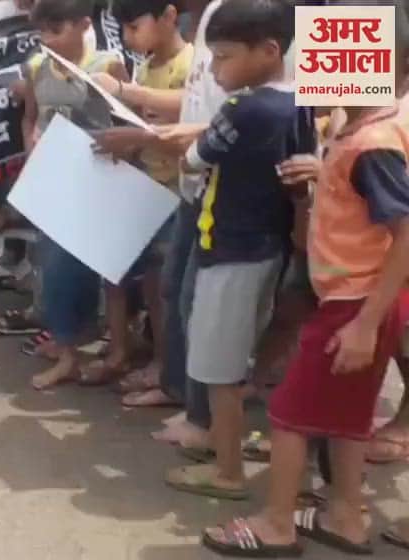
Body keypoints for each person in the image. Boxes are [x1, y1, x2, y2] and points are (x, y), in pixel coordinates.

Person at [201, 0, 409, 557]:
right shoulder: (366, 127)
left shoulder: (374, 145)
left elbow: (405, 231)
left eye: (327, 58)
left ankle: (276, 523)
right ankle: (345, 514)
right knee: (348, 418)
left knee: (289, 414)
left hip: (355, 302)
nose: (312, 72)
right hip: (359, 300)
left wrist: (365, 323)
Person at [164, 0, 312, 501]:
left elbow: (193, 157)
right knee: (237, 355)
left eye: (223, 59)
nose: (215, 69)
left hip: (233, 249)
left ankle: (226, 469)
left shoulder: (243, 107)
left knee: (219, 369)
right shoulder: (301, 100)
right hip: (272, 245)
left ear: (269, 51)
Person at [16, 0, 127, 389]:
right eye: (42, 32)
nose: (48, 40)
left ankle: (112, 347)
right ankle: (67, 352)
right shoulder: (35, 68)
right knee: (56, 266)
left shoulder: (108, 66)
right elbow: (30, 117)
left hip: (99, 179)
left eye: (56, 30)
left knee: (105, 270)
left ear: (83, 25)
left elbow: (125, 121)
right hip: (55, 181)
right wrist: (33, 156)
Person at [85, 0, 191, 394]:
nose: (129, 38)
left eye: (134, 27)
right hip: (144, 188)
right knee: (138, 281)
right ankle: (130, 350)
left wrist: (127, 90)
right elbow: (143, 125)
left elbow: (192, 110)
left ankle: (166, 369)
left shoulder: (191, 63)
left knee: (163, 288)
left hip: (177, 193)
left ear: (168, 16)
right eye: (125, 30)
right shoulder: (146, 65)